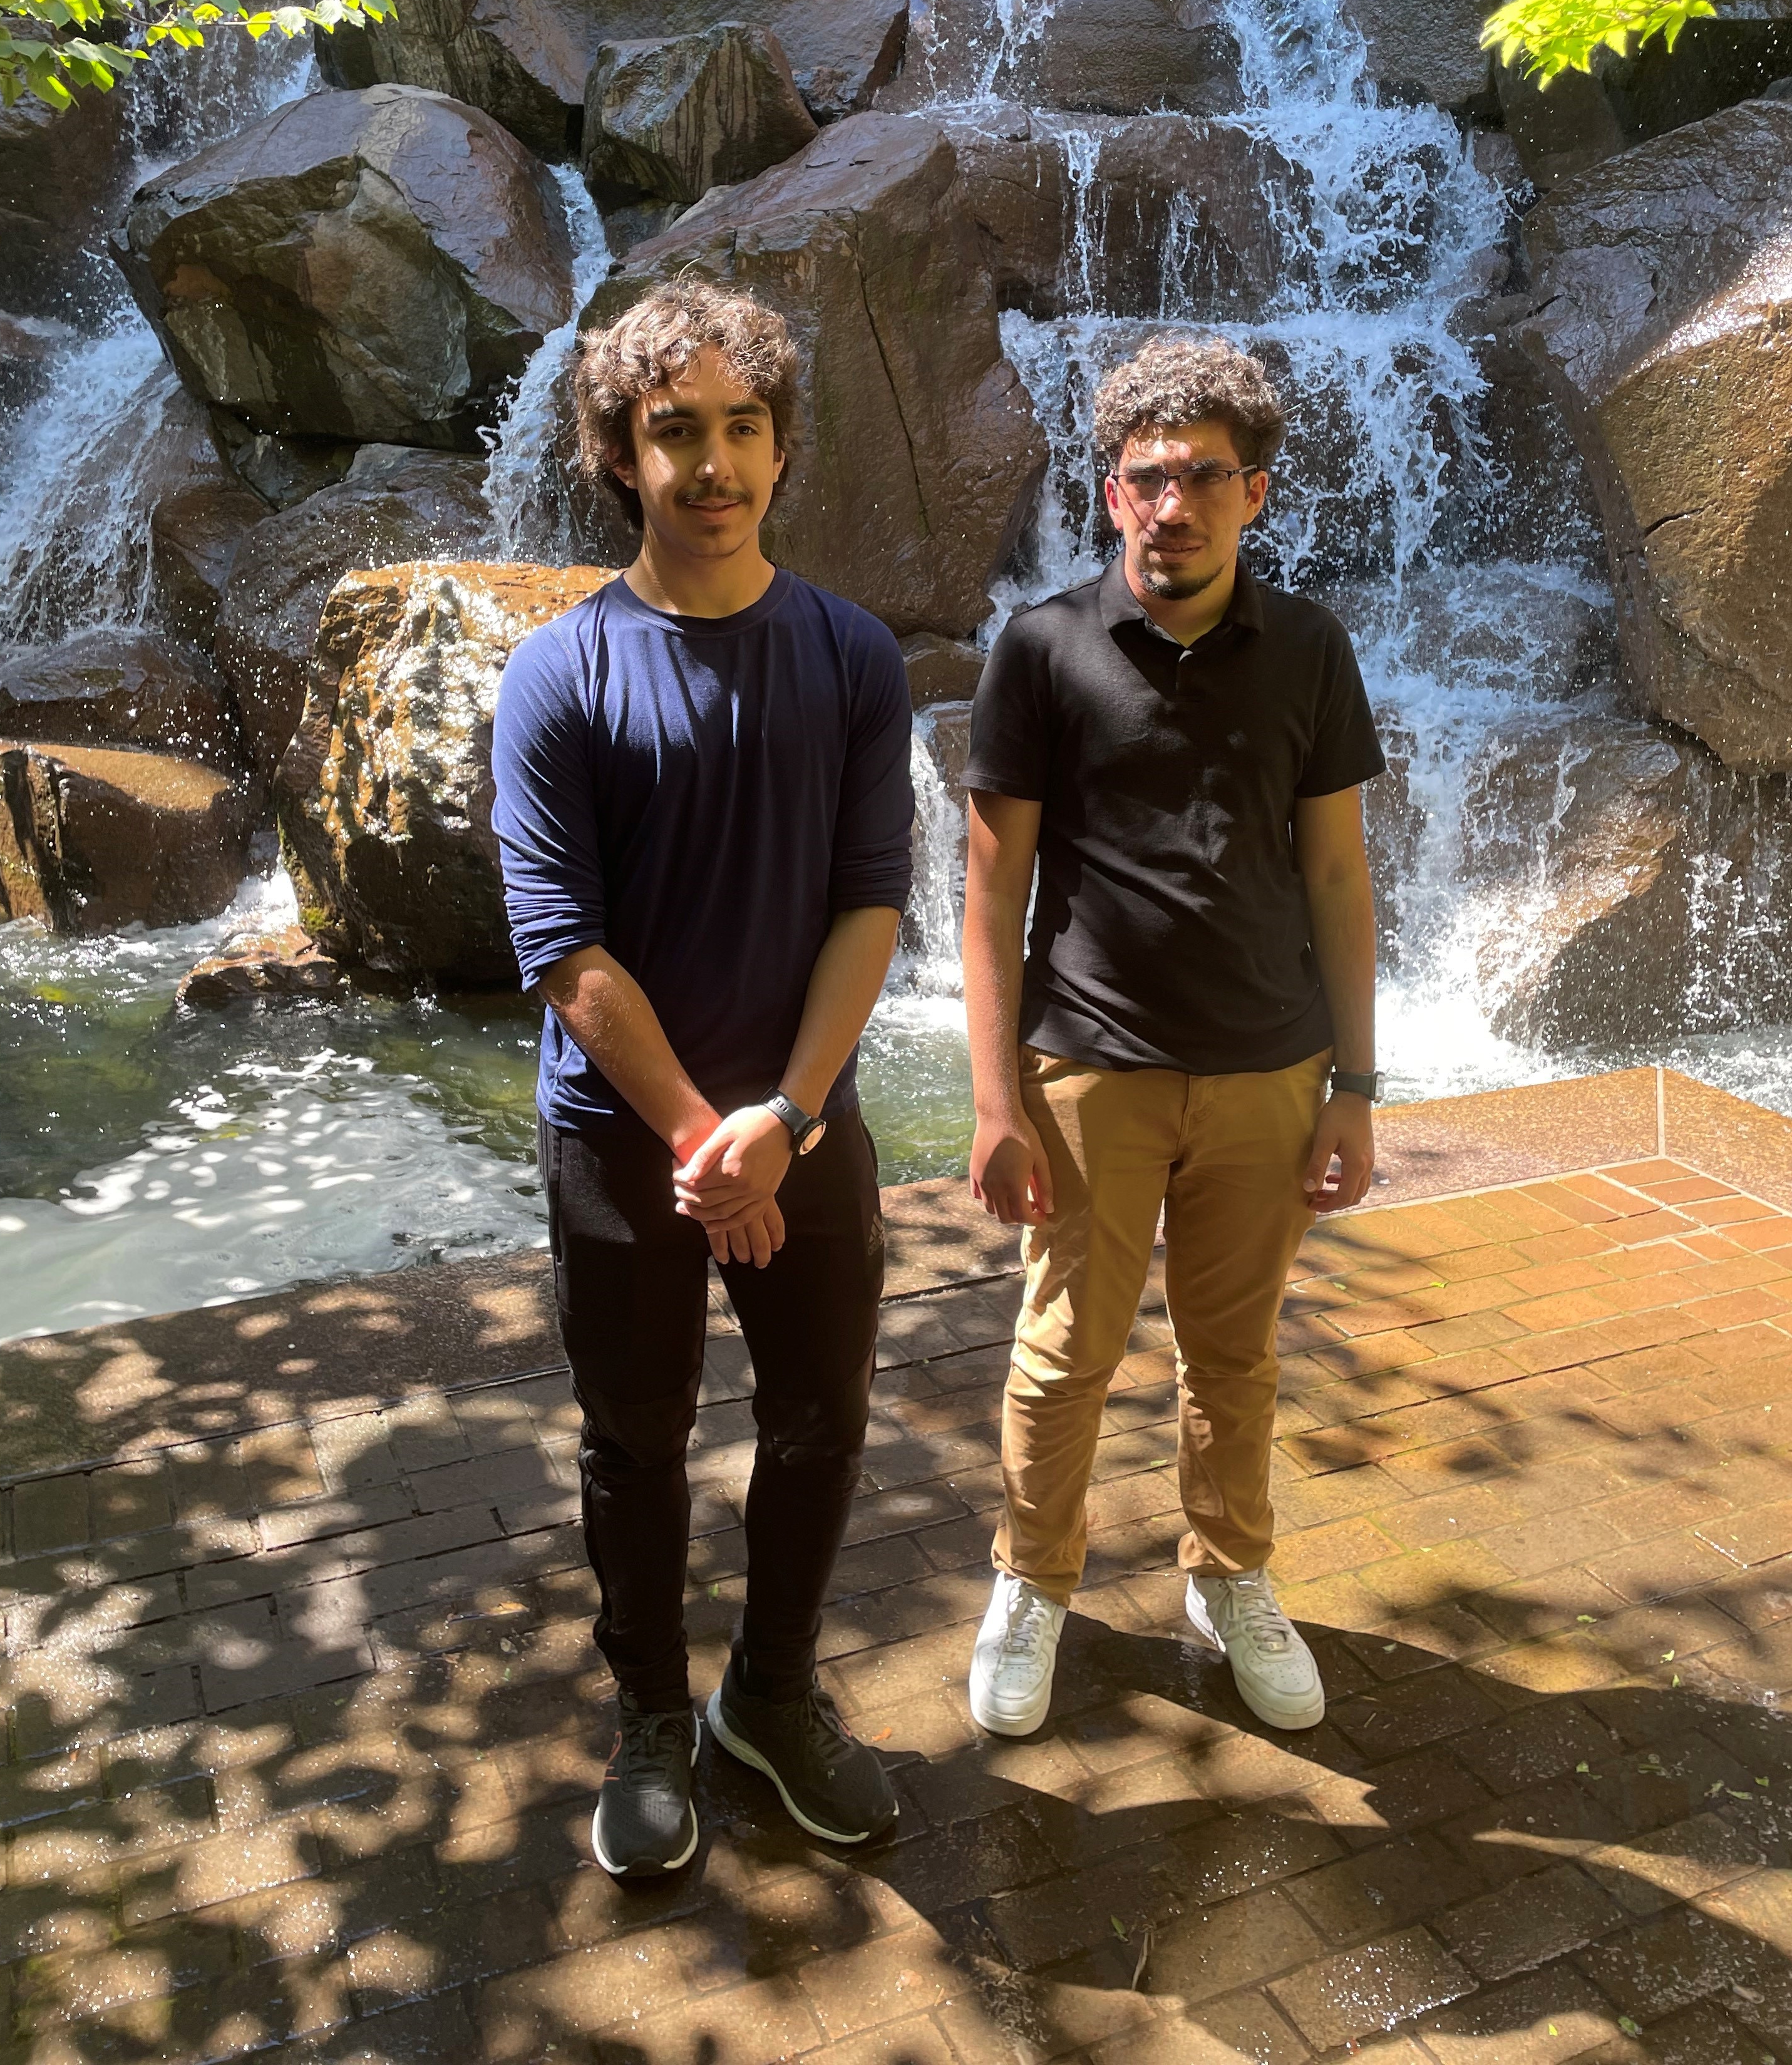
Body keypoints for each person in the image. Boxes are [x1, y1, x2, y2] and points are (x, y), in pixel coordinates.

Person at [491, 276, 914, 1877]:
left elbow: (871, 903)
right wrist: (703, 1142)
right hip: (625, 1142)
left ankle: (772, 1697)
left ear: (783, 448)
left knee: (821, 1421)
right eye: (678, 432)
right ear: (622, 453)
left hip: (807, 1121)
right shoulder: (559, 675)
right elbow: (563, 947)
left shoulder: (853, 658)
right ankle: (651, 1717)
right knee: (635, 1437)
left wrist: (785, 1121)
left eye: (744, 427)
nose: (714, 465)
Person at [961, 331, 1385, 1740]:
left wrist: (1356, 1085)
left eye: (1205, 475)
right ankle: (1033, 1582)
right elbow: (991, 895)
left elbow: (1339, 877)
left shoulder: (1310, 650)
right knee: (1062, 1354)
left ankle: (1230, 1574)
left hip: (1271, 1069)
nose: (1174, 503)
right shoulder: (1043, 650)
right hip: (1090, 1068)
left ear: (1255, 493)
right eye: (1149, 476)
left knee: (1236, 1356)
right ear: (1111, 492)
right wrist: (995, 1101)